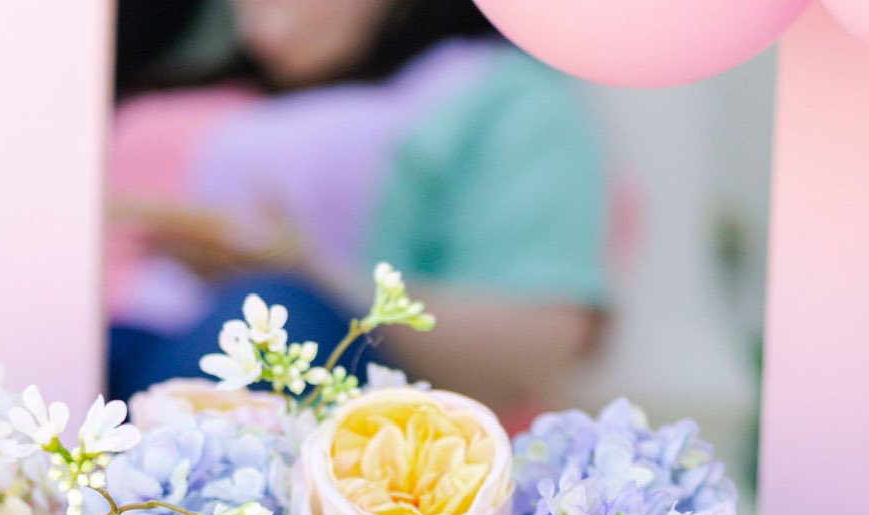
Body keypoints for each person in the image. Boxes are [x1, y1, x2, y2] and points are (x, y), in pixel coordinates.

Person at [108, 0, 610, 417]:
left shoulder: (504, 99)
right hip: (140, 350)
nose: (252, 18)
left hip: (320, 387)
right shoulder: (220, 87)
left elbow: (534, 350)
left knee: (275, 318)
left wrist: (310, 274)